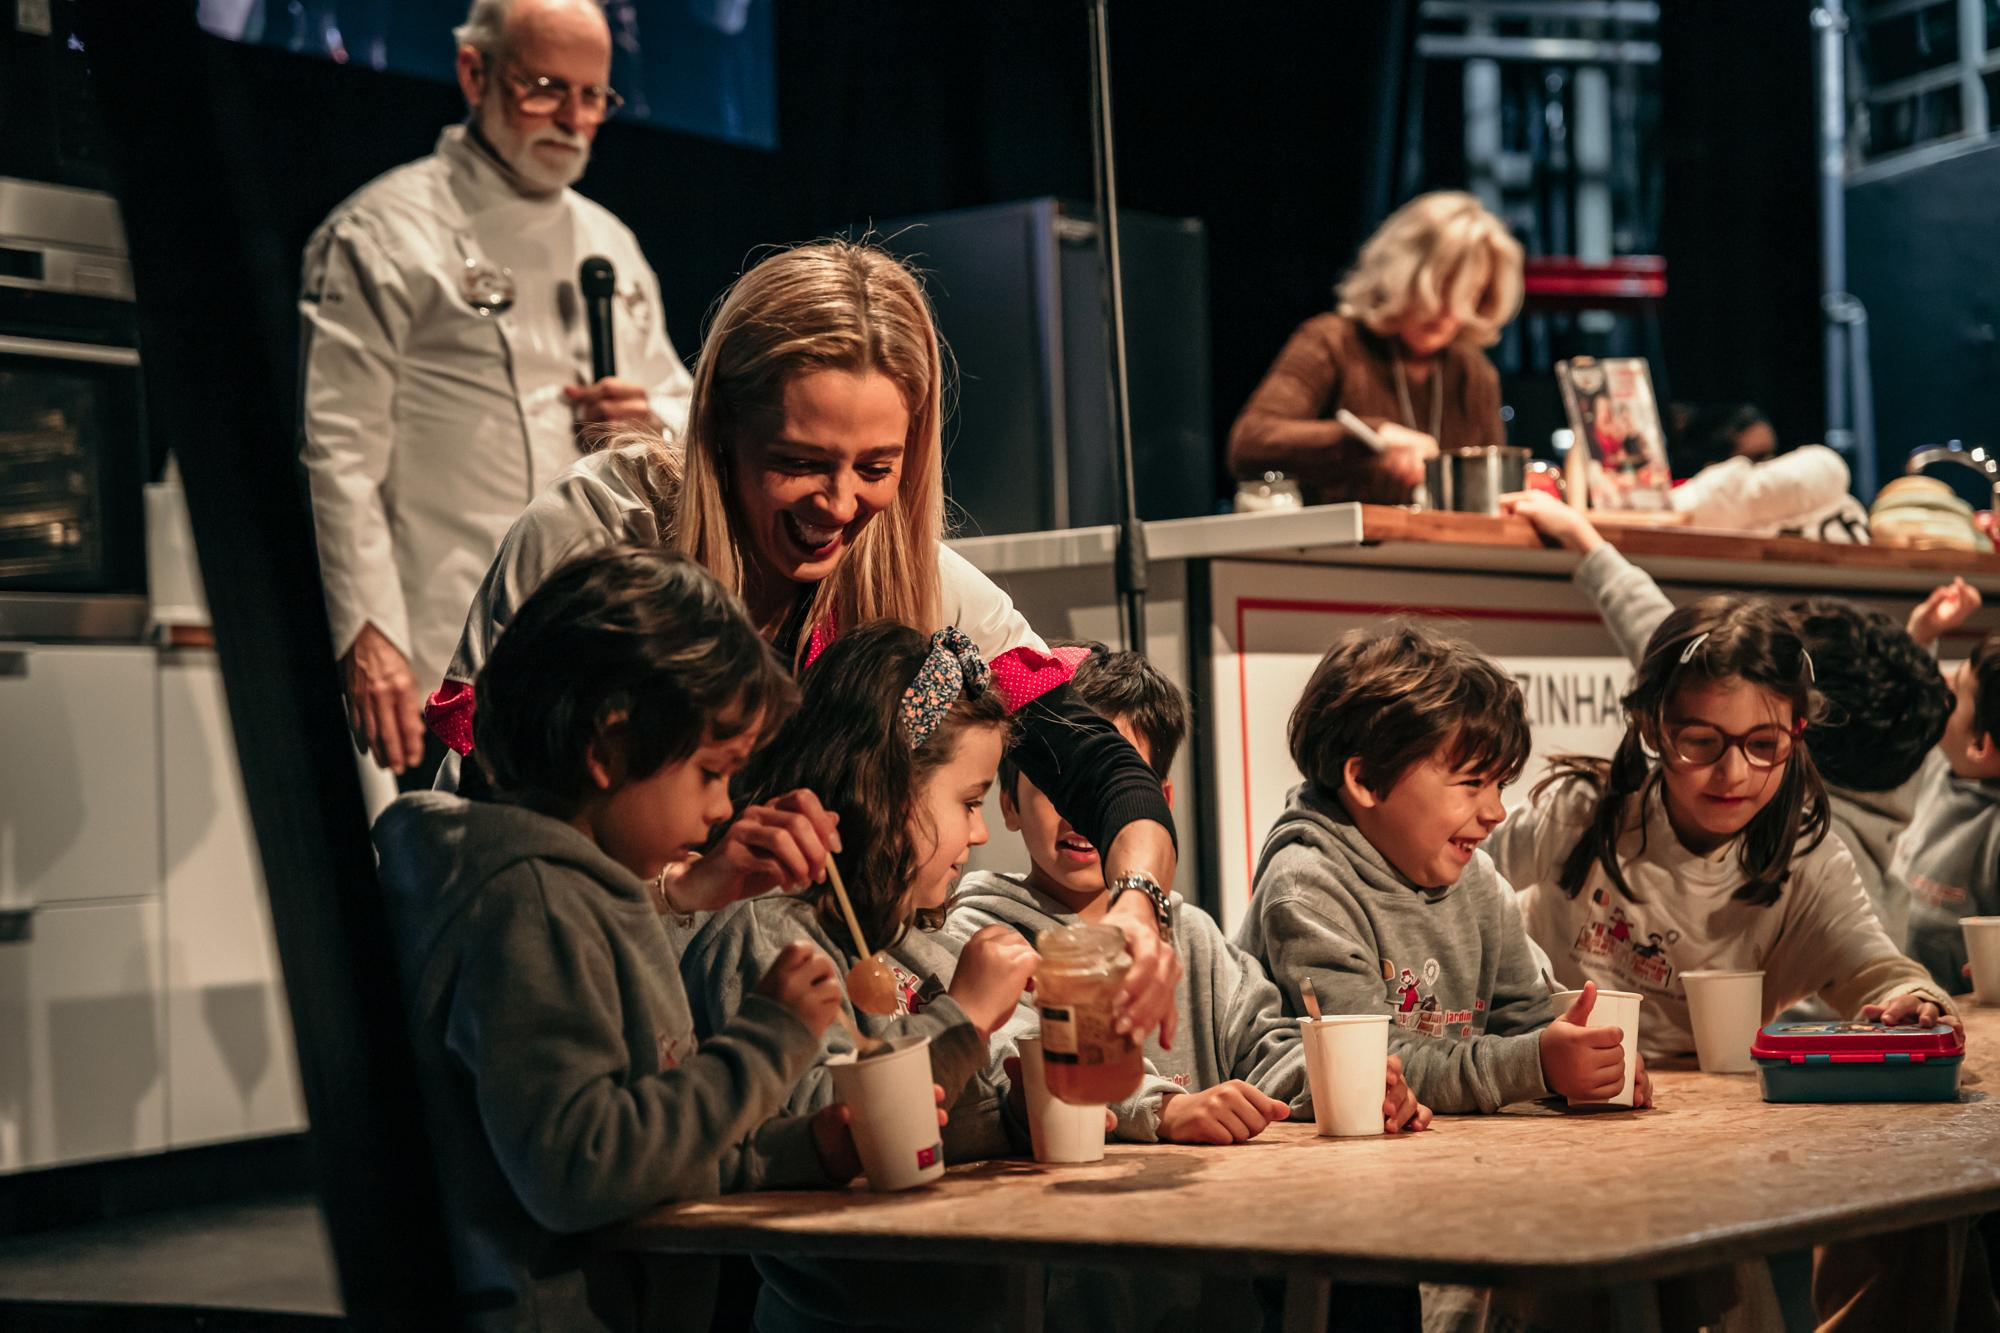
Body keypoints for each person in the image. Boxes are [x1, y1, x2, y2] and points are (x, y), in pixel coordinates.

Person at [428, 237, 1183, 1040]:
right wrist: (684, 889)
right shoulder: (595, 540)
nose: (838, 502)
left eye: (875, 467)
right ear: (720, 428)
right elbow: (494, 845)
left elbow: (1100, 765)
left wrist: (1139, 902)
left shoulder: (921, 582)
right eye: (799, 461)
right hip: (559, 1014)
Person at [369, 547, 948, 1332]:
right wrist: (767, 1036)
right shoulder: (531, 905)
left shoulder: (587, 893)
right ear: (609, 746)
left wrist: (805, 1149)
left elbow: (656, 1151)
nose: (722, 808)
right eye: (712, 771)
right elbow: (585, 1166)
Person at [300, 0, 695, 798]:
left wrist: (650, 418)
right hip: (440, 629)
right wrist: (365, 631)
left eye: (594, 96)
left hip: (597, 639)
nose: (573, 118)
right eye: (546, 88)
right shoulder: (381, 233)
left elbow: (690, 410)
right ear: (473, 73)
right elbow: (337, 448)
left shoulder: (611, 244)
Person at [680, 621, 1038, 1333]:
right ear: (890, 789)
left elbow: (963, 1128)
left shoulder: (914, 944)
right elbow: (830, 1130)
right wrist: (961, 1016)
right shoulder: (770, 937)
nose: (978, 834)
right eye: (969, 802)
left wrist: (1026, 1107)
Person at [951, 643, 1430, 1144]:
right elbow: (1023, 1064)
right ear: (1008, 803)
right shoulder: (984, 936)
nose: (1082, 815)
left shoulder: (1193, 935)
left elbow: (1266, 1043)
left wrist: (1345, 1084)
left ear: (1156, 801)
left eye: (1104, 791)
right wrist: (1164, 1109)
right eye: (1058, 790)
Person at [1501, 490, 1958, 949]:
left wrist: (1585, 540)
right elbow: (1668, 642)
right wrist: (1920, 643)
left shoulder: (1814, 856)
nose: (1732, 769)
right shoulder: (1897, 752)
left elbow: (1865, 974)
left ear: (1798, 730)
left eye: (1762, 741)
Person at [1234, 623, 1645, 1115]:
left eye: (1500, 784)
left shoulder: (1479, 880)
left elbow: (1526, 1018)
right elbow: (1367, 1069)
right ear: (1365, 779)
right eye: (1472, 783)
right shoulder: (1307, 891)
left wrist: (1586, 1056)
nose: (1496, 812)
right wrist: (1534, 1065)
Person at [1227, 191, 1524, 505]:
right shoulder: (1332, 342)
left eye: (1470, 294)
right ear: (1403, 273)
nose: (1451, 311)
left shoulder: (1473, 372)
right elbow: (1249, 443)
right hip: (1335, 550)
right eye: (1442, 287)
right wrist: (1371, 437)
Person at [1899, 619, 2000, 995]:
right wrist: (1921, 637)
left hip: (1946, 1028)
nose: (1942, 689)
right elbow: (1905, 714)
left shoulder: (1992, 832)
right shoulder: (1941, 763)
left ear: (1981, 744)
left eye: (1955, 691)